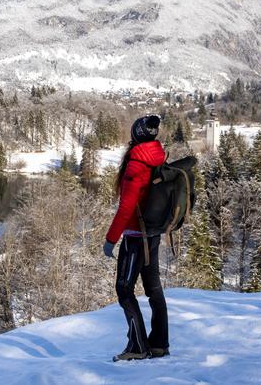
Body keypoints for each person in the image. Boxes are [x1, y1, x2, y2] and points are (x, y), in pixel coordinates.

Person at [103, 114, 169, 362]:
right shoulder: (156, 155)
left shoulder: (136, 164)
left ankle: (138, 346)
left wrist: (110, 239)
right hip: (151, 233)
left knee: (124, 288)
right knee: (153, 289)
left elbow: (127, 207)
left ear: (136, 134)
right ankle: (159, 344)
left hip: (135, 237)